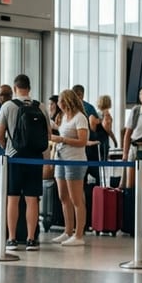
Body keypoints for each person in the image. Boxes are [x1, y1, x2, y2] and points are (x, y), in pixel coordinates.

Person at [0, 75, 46, 251]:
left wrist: (8, 148)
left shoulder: (8, 106)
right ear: (29, 88)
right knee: (33, 199)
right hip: (35, 158)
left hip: (14, 157)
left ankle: (12, 239)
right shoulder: (40, 106)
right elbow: (47, 135)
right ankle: (31, 239)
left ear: (15, 88)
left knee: (13, 198)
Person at [49, 90, 90, 247]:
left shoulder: (80, 118)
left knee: (76, 199)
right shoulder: (63, 117)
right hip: (61, 158)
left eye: (60, 100)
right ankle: (68, 230)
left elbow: (82, 141)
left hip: (75, 160)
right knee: (63, 196)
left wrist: (62, 139)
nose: (58, 102)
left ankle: (79, 234)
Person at [96, 94, 118, 158]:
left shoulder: (98, 113)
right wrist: (114, 140)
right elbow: (107, 128)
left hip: (97, 138)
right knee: (103, 160)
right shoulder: (106, 114)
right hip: (103, 139)